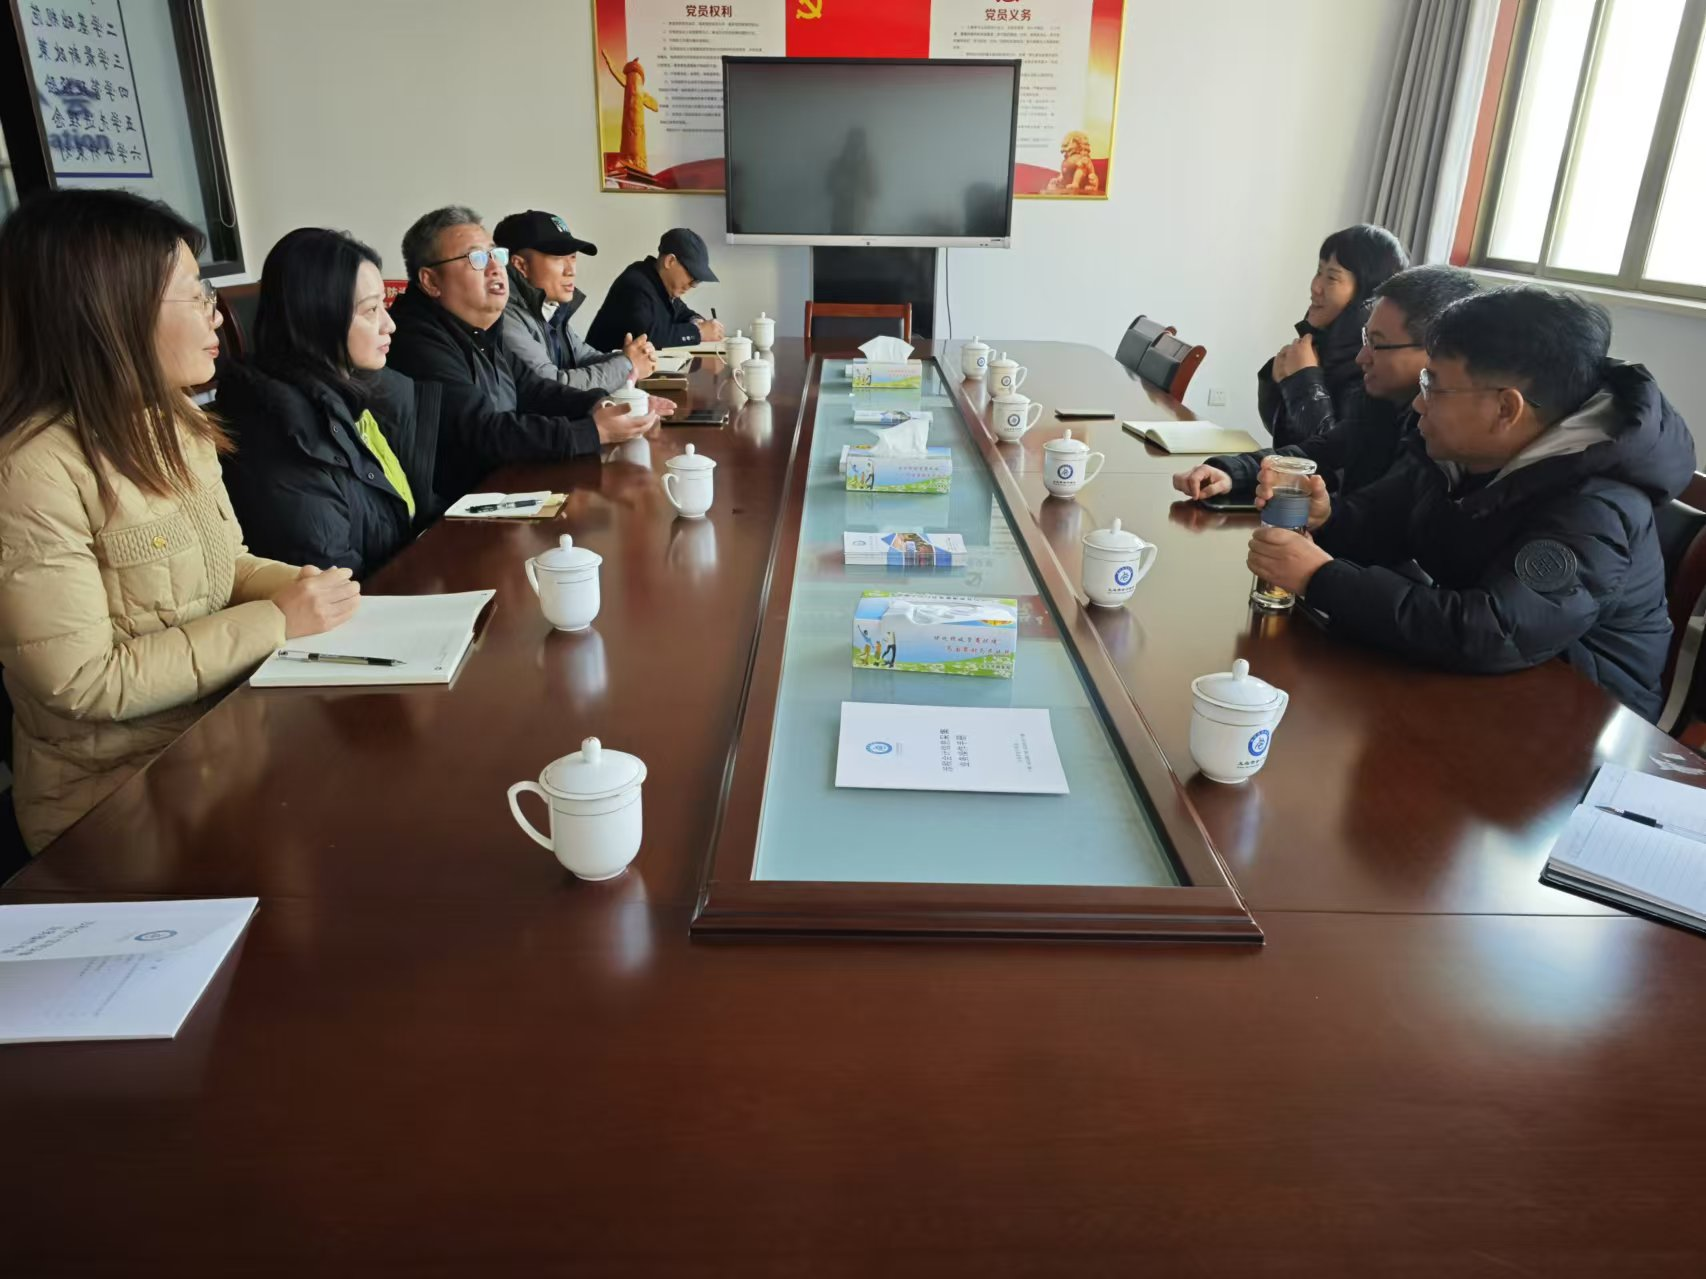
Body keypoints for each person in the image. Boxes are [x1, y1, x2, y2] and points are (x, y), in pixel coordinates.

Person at [0, 190, 360, 852]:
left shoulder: (175, 420)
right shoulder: (31, 468)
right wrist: (278, 620)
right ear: (111, 311)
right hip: (113, 805)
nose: (216, 316)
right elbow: (83, 681)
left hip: (220, 748)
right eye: (195, 296)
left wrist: (307, 587)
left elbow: (229, 565)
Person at [1246, 286, 1696, 722]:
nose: (1418, 404)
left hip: (1581, 723)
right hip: (1484, 688)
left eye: (1433, 386)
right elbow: (1386, 522)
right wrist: (1329, 517)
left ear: (1506, 409)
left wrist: (1321, 578)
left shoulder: (1595, 507)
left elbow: (1492, 631)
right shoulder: (1462, 455)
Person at [386, 206, 667, 504]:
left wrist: (603, 404)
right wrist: (592, 432)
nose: (496, 268)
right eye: (477, 259)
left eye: (496, 255)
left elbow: (532, 389)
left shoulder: (480, 327)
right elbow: (481, 431)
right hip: (451, 515)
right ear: (431, 281)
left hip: (497, 491)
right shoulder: (415, 339)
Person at [218, 228, 436, 580]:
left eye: (384, 305)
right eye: (371, 310)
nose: (389, 324)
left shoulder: (360, 393)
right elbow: (332, 575)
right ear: (317, 317)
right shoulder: (283, 428)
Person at [1177, 266, 1478, 500]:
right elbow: (1318, 452)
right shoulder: (1379, 401)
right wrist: (1232, 471)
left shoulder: (1441, 433)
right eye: (1366, 339)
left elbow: (1379, 521)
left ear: (1433, 351)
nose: (1361, 357)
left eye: (1377, 344)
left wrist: (1324, 517)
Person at [1259, 224, 1408, 451]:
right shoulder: (1322, 341)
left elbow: (1334, 455)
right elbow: (1286, 436)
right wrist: (1279, 383)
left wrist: (1303, 380)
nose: (1315, 287)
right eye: (1319, 272)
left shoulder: (1369, 363)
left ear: (1366, 293)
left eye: (1331, 277)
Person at [492, 209, 657, 392]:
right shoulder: (501, 316)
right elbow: (551, 386)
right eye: (558, 258)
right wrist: (627, 365)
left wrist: (632, 356)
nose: (571, 271)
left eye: (572, 257)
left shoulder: (548, 307)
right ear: (521, 265)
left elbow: (583, 358)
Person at [586, 227, 726, 353]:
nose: (693, 285)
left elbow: (683, 313)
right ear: (670, 261)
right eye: (692, 276)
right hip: (602, 370)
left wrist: (697, 321)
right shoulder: (635, 284)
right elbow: (649, 336)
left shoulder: (662, 285)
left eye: (697, 281)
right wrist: (699, 332)